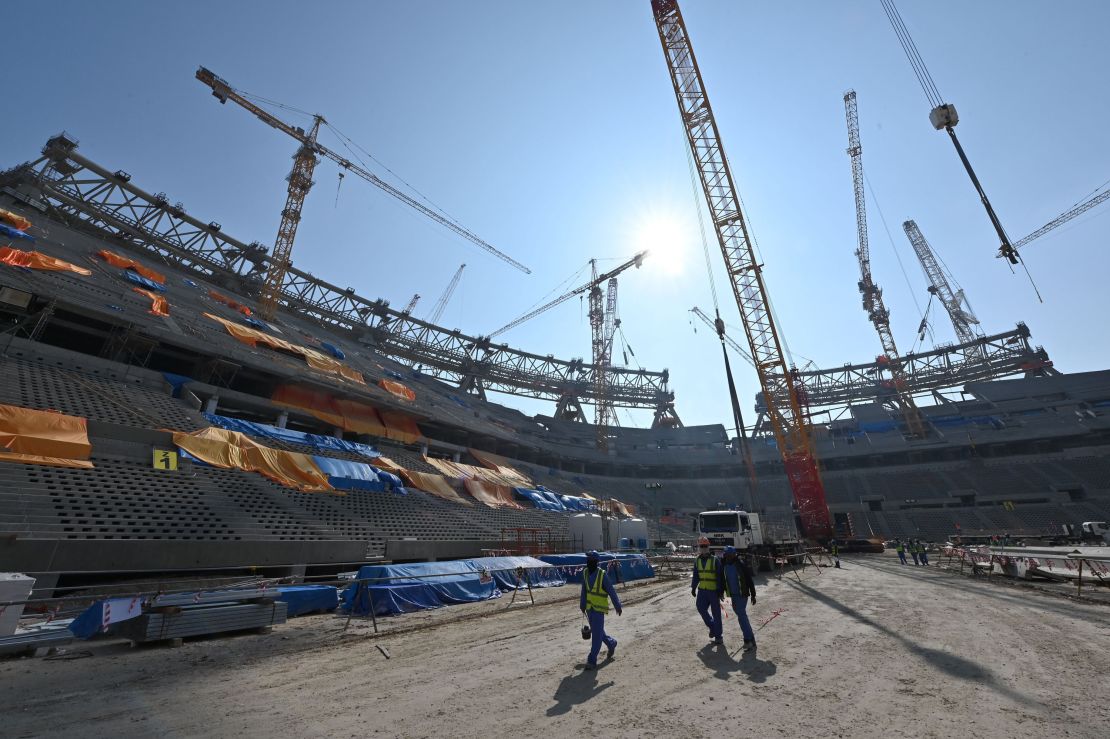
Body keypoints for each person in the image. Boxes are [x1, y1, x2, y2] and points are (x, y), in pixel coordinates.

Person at [580, 550, 622, 670]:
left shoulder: (602, 575)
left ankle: (591, 660)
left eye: (591, 560)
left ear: (596, 562)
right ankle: (611, 643)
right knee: (598, 632)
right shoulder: (585, 573)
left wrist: (617, 606)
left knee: (596, 636)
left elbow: (611, 591)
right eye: (588, 560)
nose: (589, 562)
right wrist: (582, 604)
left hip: (599, 609)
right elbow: (584, 590)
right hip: (589, 608)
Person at [719, 546, 757, 651]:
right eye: (726, 554)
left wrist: (753, 594)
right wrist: (721, 592)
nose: (728, 556)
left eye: (730, 554)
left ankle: (748, 640)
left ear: (734, 555)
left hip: (742, 595)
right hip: (731, 596)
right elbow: (722, 580)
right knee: (742, 616)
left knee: (741, 615)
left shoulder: (740, 565)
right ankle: (752, 639)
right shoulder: (724, 565)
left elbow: (749, 580)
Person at [691, 537, 723, 644]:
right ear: (699, 547)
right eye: (701, 546)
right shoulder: (697, 560)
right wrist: (693, 587)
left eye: (705, 546)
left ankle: (718, 636)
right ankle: (713, 627)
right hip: (702, 591)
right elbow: (696, 575)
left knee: (716, 614)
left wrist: (720, 590)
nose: (703, 548)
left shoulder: (715, 560)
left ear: (708, 547)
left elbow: (720, 576)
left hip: (713, 591)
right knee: (700, 608)